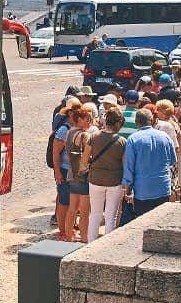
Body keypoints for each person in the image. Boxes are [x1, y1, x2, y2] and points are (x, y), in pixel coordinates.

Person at [121, 108, 179, 222]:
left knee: (143, 223)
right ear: (151, 120)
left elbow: (129, 167)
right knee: (160, 222)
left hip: (142, 191)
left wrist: (127, 190)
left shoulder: (133, 139)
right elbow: (173, 160)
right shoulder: (165, 137)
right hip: (163, 188)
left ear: (136, 122)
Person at [84, 109, 129, 243]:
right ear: (119, 123)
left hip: (95, 179)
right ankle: (106, 244)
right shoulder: (122, 141)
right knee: (111, 216)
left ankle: (91, 242)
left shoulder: (93, 137)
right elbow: (125, 164)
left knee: (95, 214)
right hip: (114, 182)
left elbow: (84, 159)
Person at [63, 103, 98, 242]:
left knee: (72, 208)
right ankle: (84, 238)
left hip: (72, 172)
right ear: (80, 119)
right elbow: (88, 156)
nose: (89, 121)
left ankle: (68, 236)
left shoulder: (70, 131)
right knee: (84, 211)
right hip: (82, 174)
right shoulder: (84, 135)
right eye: (87, 118)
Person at [49, 98, 82, 241]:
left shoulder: (76, 127)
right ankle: (62, 231)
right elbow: (55, 152)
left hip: (73, 171)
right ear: (69, 113)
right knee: (64, 202)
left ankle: (69, 228)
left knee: (73, 202)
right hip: (64, 170)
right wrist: (57, 172)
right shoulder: (64, 130)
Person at [151, 100, 181, 199]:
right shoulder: (174, 124)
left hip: (164, 161)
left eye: (158, 110)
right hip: (173, 159)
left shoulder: (160, 125)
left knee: (168, 187)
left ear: (163, 111)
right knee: (172, 186)